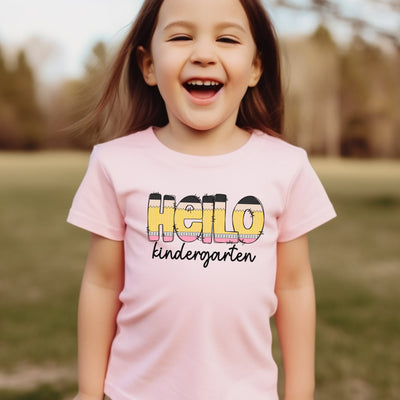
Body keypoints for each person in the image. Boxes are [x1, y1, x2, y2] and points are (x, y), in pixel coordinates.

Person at [67, 0, 336, 399]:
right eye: (181, 36)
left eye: (226, 38)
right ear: (149, 66)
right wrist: (90, 391)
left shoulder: (287, 167)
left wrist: (301, 393)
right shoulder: (114, 164)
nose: (204, 54)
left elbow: (294, 287)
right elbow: (102, 283)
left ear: (256, 67)